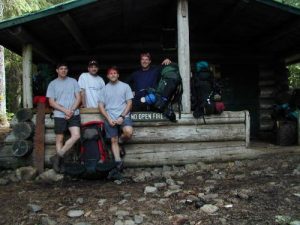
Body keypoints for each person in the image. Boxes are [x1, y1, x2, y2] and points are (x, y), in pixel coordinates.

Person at [46, 63, 81, 173]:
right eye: (61, 69)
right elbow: (51, 102)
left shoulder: (73, 81)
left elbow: (78, 98)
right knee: (59, 139)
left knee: (76, 136)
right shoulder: (52, 84)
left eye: (65, 69)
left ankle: (57, 157)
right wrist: (65, 111)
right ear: (57, 70)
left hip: (73, 113)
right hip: (59, 114)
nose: (63, 70)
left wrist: (71, 110)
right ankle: (60, 164)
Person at [99, 66, 133, 174]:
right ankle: (118, 162)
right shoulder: (104, 89)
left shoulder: (125, 86)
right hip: (110, 117)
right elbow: (100, 106)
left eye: (115, 73)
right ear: (108, 76)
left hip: (123, 115)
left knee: (128, 132)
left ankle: (121, 141)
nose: (113, 75)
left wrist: (122, 116)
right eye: (110, 73)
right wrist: (108, 119)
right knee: (113, 140)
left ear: (118, 75)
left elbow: (129, 103)